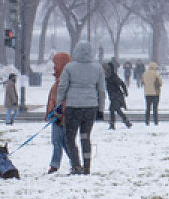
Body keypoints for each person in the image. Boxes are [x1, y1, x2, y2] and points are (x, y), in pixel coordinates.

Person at [58, 40, 107, 175]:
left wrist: (59, 105)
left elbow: (62, 87)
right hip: (90, 107)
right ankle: (87, 166)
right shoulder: (97, 69)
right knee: (85, 137)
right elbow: (101, 91)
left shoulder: (69, 67)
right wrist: (101, 109)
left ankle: (76, 165)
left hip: (73, 107)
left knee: (70, 137)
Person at [44, 52, 69, 174]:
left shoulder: (63, 81)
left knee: (58, 141)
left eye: (55, 64)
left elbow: (62, 100)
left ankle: (55, 165)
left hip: (59, 117)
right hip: (57, 115)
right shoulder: (60, 79)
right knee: (63, 142)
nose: (54, 67)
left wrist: (57, 114)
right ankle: (75, 162)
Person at [104, 61, 132, 129]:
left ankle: (114, 124)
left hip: (116, 96)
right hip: (113, 96)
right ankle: (126, 122)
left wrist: (125, 92)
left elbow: (121, 83)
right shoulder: (108, 76)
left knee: (113, 109)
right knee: (116, 110)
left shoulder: (113, 76)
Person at [142, 60, 163, 126]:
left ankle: (147, 120)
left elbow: (143, 82)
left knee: (148, 108)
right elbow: (160, 83)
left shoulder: (145, 73)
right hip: (155, 92)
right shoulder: (156, 73)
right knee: (155, 108)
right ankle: (155, 121)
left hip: (147, 93)